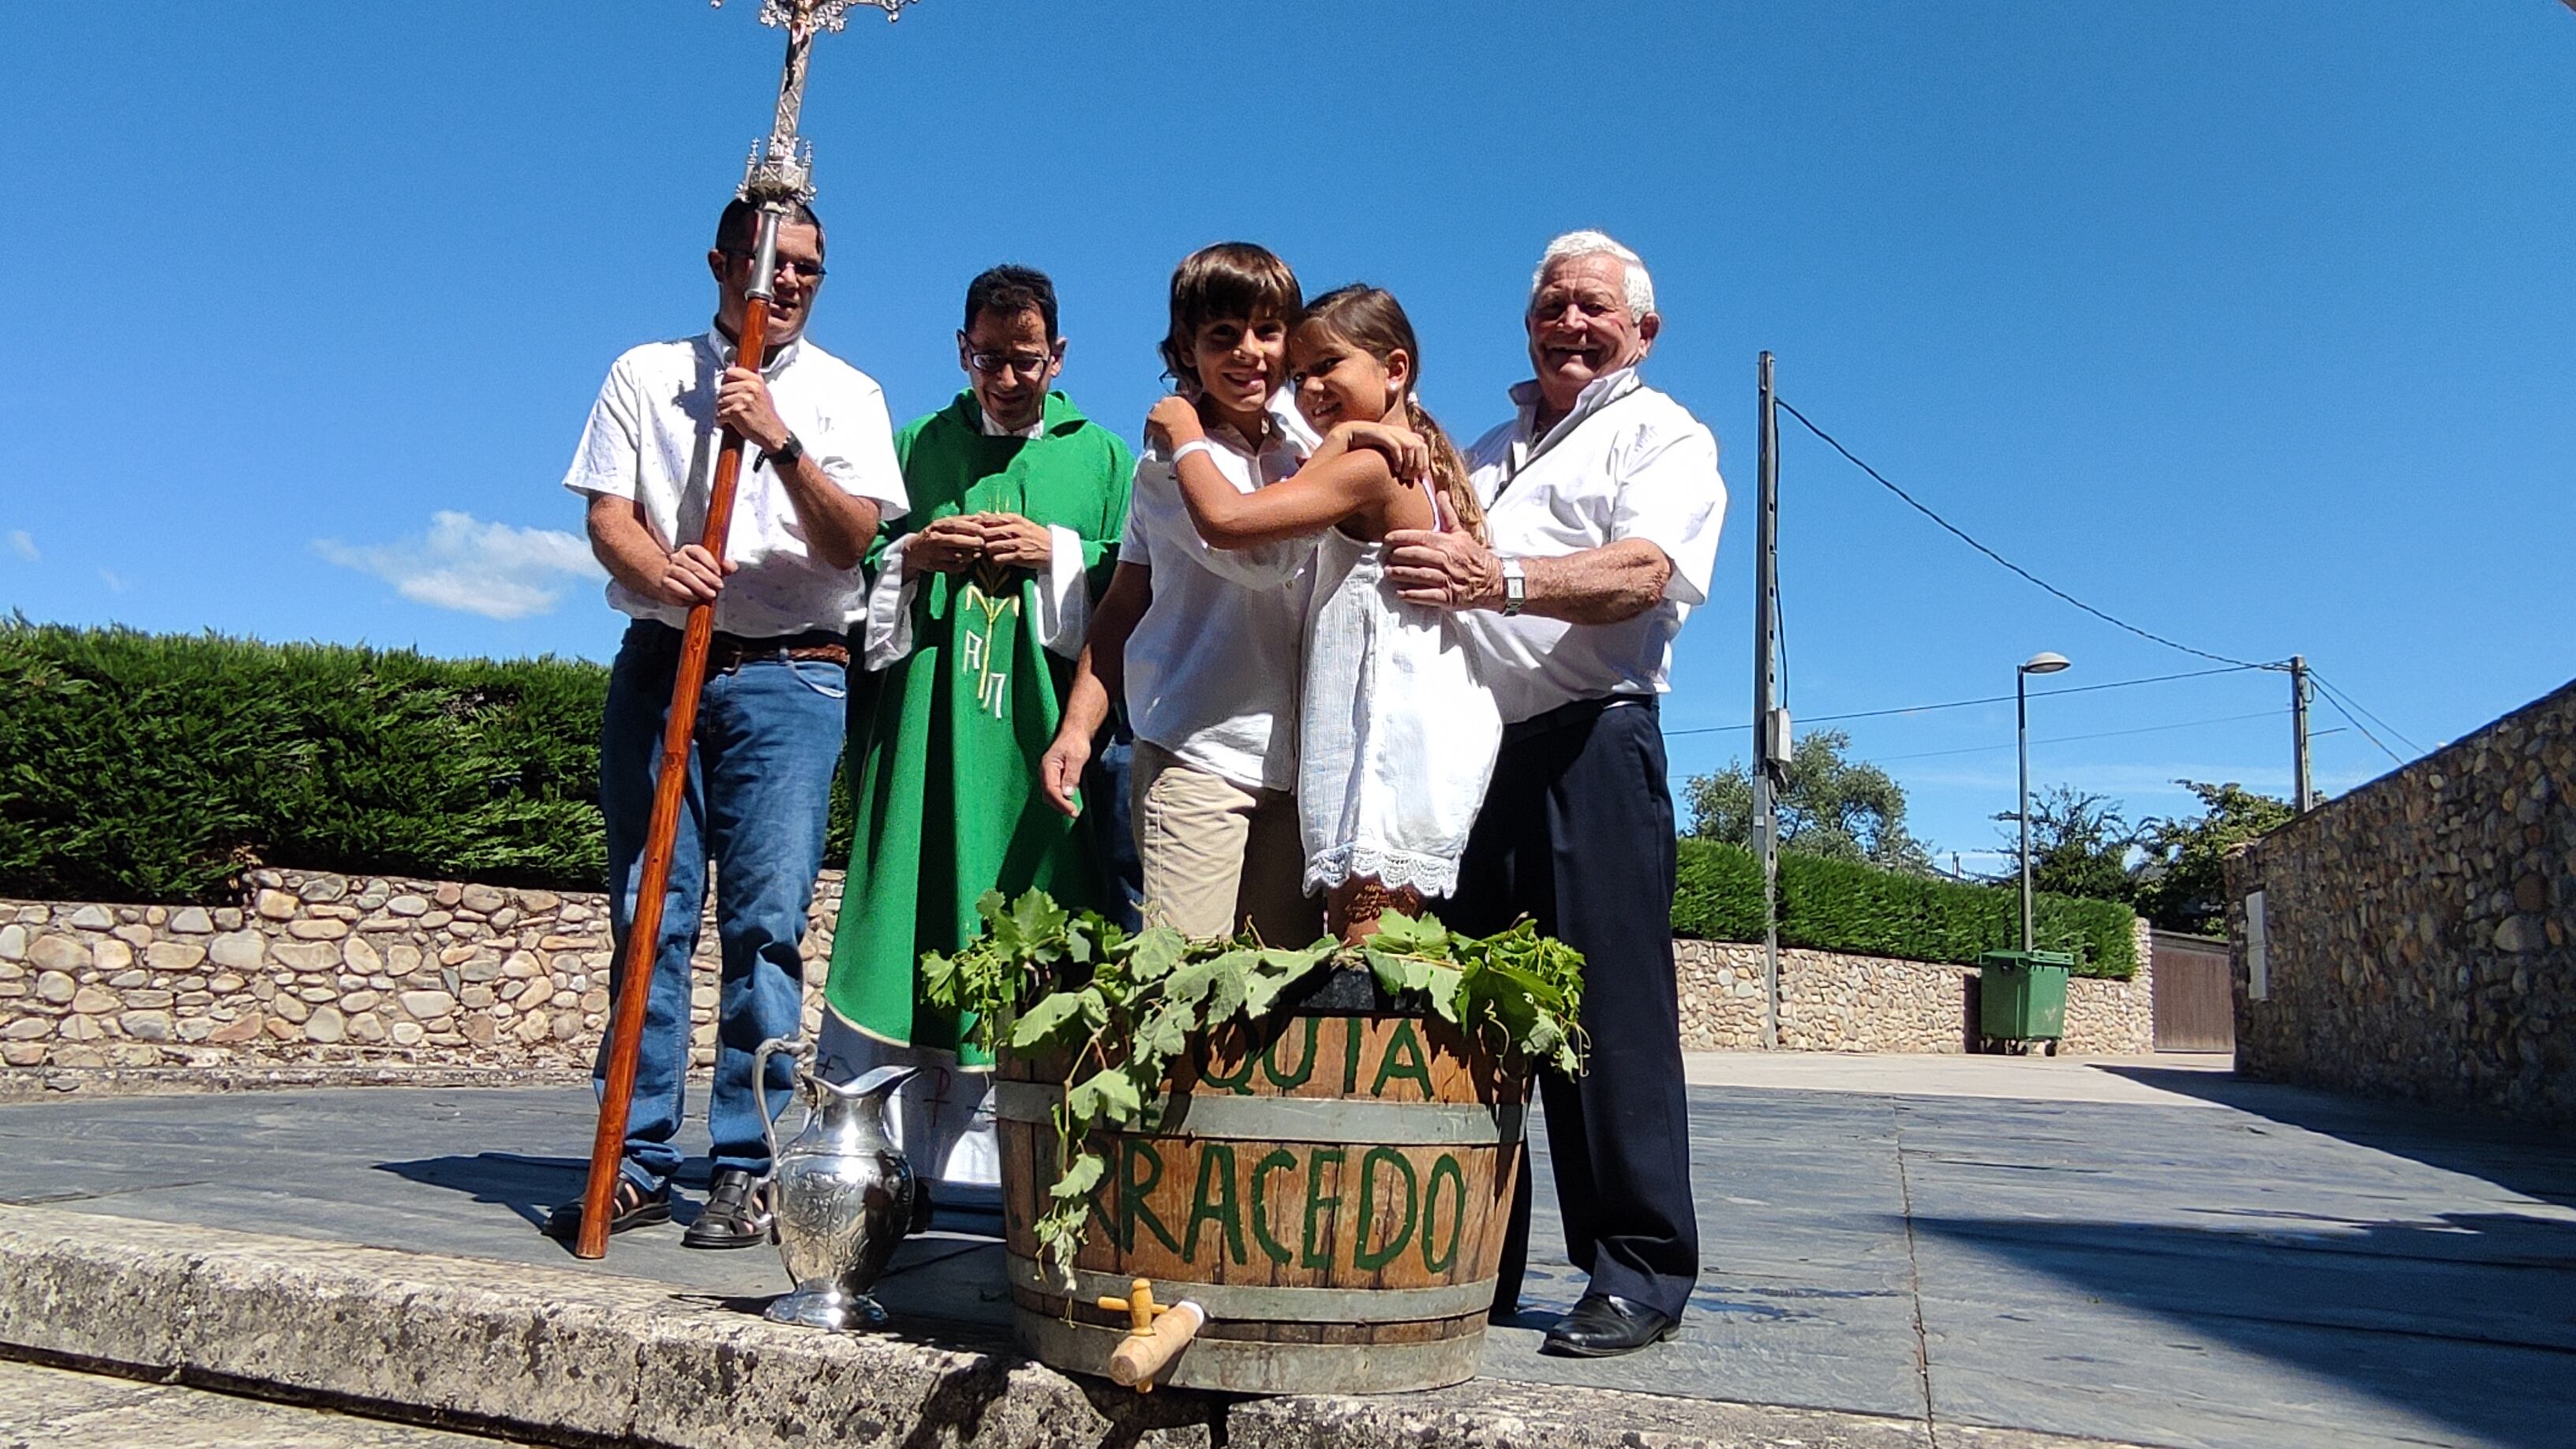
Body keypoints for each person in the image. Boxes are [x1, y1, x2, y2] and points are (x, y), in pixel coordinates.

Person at [1384, 230, 1723, 1355]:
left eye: (1593, 308)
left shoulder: (1662, 434)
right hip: (1480, 756)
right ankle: (1476, 1260)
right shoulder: (1482, 449)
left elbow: (1640, 574)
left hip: (1596, 744)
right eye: (1551, 307)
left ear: (1643, 331)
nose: (1570, 325)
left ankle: (1636, 1272)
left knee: (1607, 1019)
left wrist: (1503, 577)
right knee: (1474, 1015)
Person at [546, 199, 907, 1248]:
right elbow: (607, 511)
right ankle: (636, 1156)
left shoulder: (846, 394)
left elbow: (853, 543)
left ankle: (746, 1166)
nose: (787, 283)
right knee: (647, 913)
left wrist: (778, 443)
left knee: (764, 930)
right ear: (722, 261)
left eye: (808, 269)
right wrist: (658, 566)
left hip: (792, 677)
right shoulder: (644, 374)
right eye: (770, 263)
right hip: (665, 661)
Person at [816, 264, 1133, 1208]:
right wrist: (913, 556)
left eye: (1024, 359)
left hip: (1042, 737)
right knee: (919, 913)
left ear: (1059, 356)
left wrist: (1059, 555)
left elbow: (1139, 588)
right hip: (930, 736)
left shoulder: (1106, 459)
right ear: (962, 351)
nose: (1006, 378)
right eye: (988, 358)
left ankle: (1037, 1183)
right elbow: (854, 575)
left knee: (1040, 922)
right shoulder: (913, 445)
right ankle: (890, 1174)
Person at [1144, 285, 1498, 942]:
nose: (1308, 389)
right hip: (1398, 733)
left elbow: (1229, 521)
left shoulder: (1369, 468)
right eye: (1301, 375)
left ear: (1395, 369)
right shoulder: (1390, 457)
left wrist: (1185, 432)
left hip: (1381, 744)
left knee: (1367, 961)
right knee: (1360, 954)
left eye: (1328, 366)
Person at [1038, 243, 1322, 945]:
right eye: (1222, 336)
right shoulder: (1170, 463)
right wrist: (1078, 728)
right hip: (1198, 750)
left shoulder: (1312, 451)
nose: (1248, 352)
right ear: (1186, 350)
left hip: (1302, 767)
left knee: (1277, 998)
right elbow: (1135, 603)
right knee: (1189, 991)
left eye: (1267, 331)